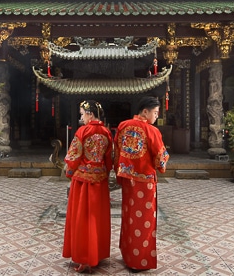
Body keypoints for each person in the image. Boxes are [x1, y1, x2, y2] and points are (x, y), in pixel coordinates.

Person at [114, 96, 169, 272]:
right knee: (143, 221)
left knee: (129, 217)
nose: (156, 116)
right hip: (145, 183)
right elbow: (161, 159)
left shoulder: (122, 126)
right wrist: (161, 166)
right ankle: (139, 261)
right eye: (155, 112)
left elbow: (116, 152)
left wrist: (120, 170)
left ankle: (127, 254)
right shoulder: (152, 131)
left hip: (128, 181)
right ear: (145, 111)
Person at [62, 100, 114, 273]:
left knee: (82, 218)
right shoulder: (107, 132)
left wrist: (69, 171)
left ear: (90, 114)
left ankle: (84, 257)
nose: (81, 117)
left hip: (82, 183)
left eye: (82, 114)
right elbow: (109, 159)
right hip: (100, 182)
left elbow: (74, 156)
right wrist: (104, 174)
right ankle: (96, 254)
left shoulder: (83, 131)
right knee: (96, 218)